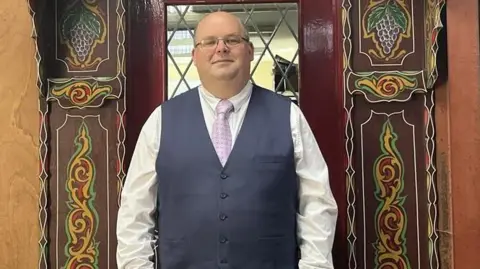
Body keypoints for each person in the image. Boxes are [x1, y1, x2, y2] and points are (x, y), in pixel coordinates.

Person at [116, 11, 338, 269]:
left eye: (232, 40)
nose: (221, 49)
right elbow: (135, 213)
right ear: (194, 56)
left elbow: (317, 203)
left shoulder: (289, 116)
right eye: (209, 42)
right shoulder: (161, 120)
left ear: (250, 50)